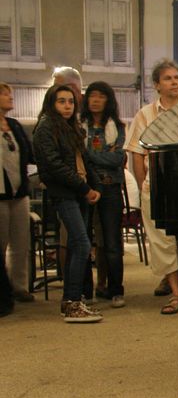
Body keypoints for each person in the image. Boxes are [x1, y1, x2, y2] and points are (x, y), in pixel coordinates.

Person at [125, 59, 178, 315]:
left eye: (177, 77)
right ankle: (176, 293)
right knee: (163, 242)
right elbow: (137, 153)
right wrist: (143, 184)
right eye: (169, 78)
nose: (175, 82)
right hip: (157, 185)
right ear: (157, 85)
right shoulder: (146, 114)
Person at [33, 85, 102, 323]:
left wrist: (94, 187)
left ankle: (72, 301)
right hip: (65, 192)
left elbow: (84, 160)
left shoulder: (72, 127)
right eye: (61, 101)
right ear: (52, 103)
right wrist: (85, 188)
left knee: (77, 244)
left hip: (79, 191)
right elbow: (54, 166)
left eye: (71, 102)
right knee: (82, 244)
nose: (67, 106)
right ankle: (72, 302)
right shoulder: (46, 127)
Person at [82, 82, 127, 308]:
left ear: (108, 100)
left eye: (101, 96)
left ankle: (116, 290)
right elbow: (76, 156)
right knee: (83, 241)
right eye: (92, 96)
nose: (96, 100)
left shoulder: (117, 126)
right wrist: (100, 156)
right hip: (84, 188)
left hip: (110, 188)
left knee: (112, 241)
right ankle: (86, 292)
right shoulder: (78, 127)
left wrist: (89, 156)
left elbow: (119, 159)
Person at [0, 82, 35, 303]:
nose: (9, 97)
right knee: (1, 243)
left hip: (20, 191)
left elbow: (28, 154)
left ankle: (20, 286)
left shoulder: (14, 125)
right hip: (0, 194)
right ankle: (3, 290)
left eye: (9, 93)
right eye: (4, 94)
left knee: (21, 242)